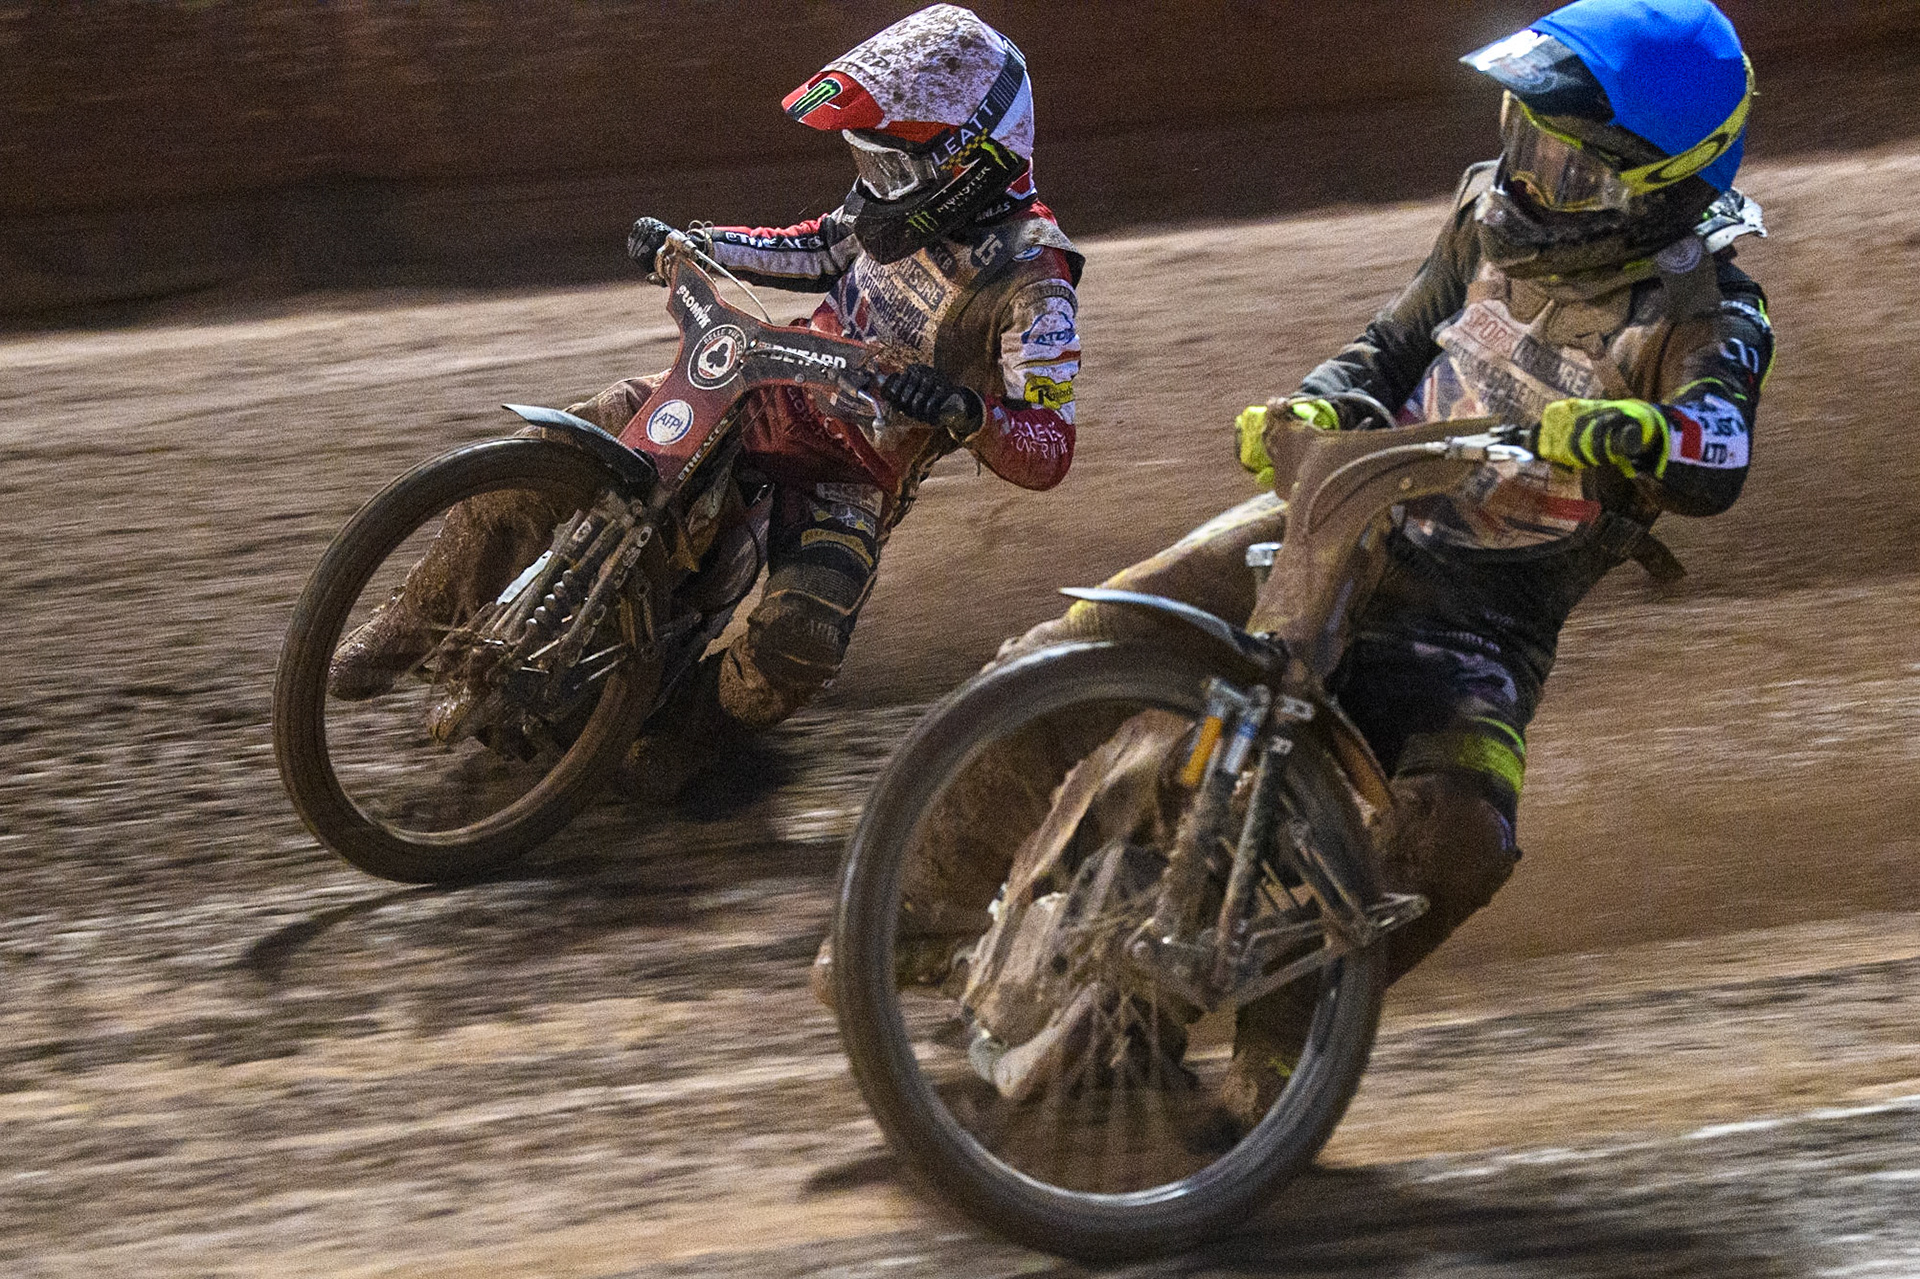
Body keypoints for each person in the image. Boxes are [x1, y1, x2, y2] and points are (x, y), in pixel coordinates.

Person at [852, 0, 1774, 1123]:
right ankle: (907, 927)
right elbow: (1394, 339)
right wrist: (1318, 397)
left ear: (1663, 180)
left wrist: (1639, 431)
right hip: (1345, 516)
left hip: (1480, 619)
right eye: (1525, 138)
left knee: (1456, 838)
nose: (1532, 179)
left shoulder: (1710, 306)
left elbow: (1719, 444)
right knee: (1087, 643)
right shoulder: (1487, 211)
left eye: (1570, 168)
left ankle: (1272, 1082)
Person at [329, 4, 1084, 799]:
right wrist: (697, 244)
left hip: (852, 470)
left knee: (802, 640)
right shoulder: (893, 200)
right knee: (577, 443)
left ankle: (672, 735)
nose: (875, 188)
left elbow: (1048, 448)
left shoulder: (1038, 285)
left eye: (893, 172)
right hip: (764, 382)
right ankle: (416, 615)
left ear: (971, 164)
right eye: (870, 165)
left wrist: (965, 414)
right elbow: (823, 244)